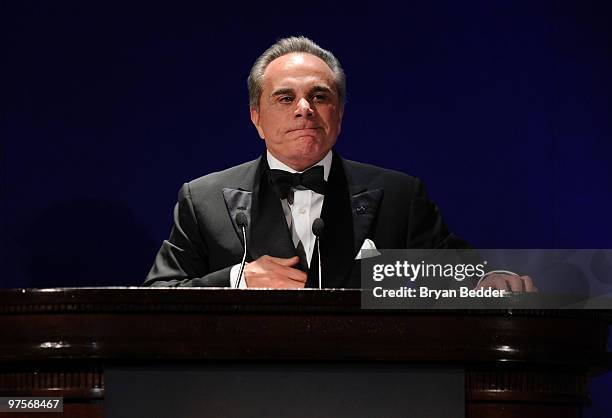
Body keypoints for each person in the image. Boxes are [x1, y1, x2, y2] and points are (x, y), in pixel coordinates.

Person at [144, 36, 535, 292]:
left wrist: (492, 281)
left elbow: (461, 277)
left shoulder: (401, 196)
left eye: (319, 96)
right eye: (284, 98)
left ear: (340, 114)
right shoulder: (203, 199)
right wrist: (236, 278)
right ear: (255, 117)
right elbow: (156, 297)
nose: (304, 109)